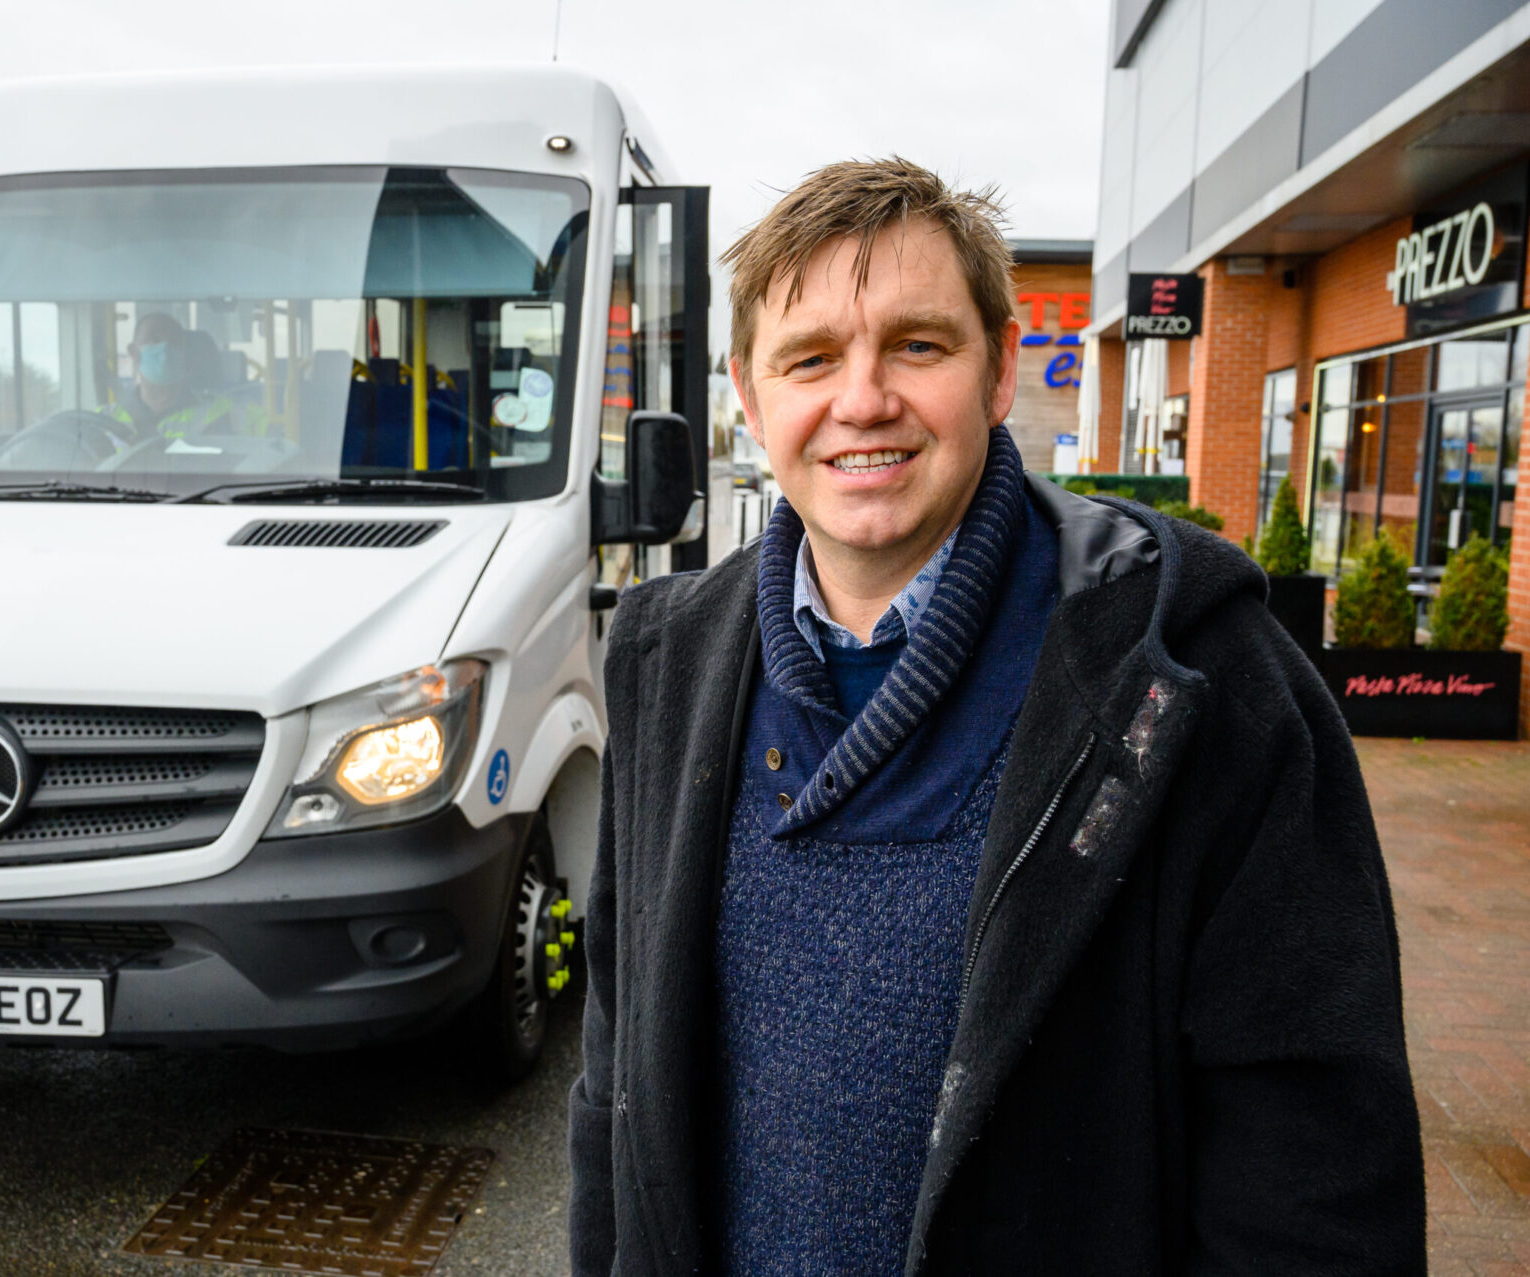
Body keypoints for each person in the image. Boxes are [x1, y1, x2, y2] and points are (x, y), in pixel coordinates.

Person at [567, 158, 1425, 1276]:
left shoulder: (1199, 678)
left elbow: (1314, 1174)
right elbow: (612, 1088)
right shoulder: (664, 661)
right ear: (749, 390)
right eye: (811, 357)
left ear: (1002, 365)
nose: (863, 399)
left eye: (918, 345)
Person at [112, 311, 251, 442]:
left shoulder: (227, 413)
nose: (165, 347)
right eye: (154, 339)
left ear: (185, 354)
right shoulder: (106, 417)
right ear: (133, 352)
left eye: (174, 342)